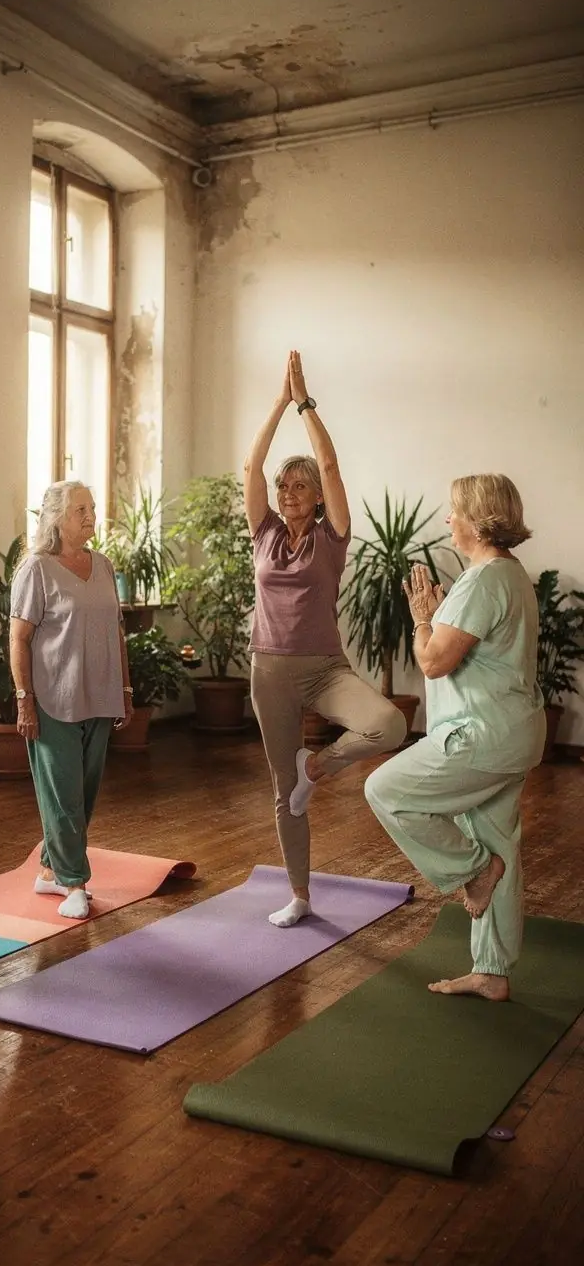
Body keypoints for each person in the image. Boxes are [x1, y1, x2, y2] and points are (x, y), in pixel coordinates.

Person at [364, 474, 545, 1000]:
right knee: (496, 837)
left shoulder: (485, 578)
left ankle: (473, 871)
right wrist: (441, 614)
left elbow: (434, 660)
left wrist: (423, 619)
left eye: (453, 510)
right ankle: (491, 970)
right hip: (513, 733)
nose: (447, 519)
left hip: (483, 736)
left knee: (386, 790)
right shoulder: (509, 576)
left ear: (475, 518)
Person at [244, 351, 406, 928]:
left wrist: (305, 402)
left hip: (324, 668)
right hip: (268, 672)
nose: (288, 491)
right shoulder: (262, 530)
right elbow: (251, 466)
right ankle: (300, 895)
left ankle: (320, 767)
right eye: (284, 484)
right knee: (282, 792)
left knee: (389, 725)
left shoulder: (332, 537)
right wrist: (277, 402)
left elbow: (332, 466)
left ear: (316, 497)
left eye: (299, 485)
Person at [9, 480, 133, 921]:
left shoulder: (102, 565)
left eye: (92, 507)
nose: (90, 515)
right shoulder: (36, 569)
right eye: (81, 508)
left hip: (99, 694)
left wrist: (126, 688)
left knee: (84, 791)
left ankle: (50, 869)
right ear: (56, 518)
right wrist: (24, 699)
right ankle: (75, 883)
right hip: (52, 698)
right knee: (63, 794)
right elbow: (19, 638)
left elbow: (116, 631)